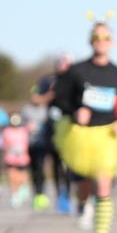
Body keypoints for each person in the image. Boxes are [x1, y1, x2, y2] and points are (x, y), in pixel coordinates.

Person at [52, 19, 117, 233]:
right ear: (90, 41)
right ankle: (83, 206)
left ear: (112, 43)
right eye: (97, 38)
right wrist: (74, 111)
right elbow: (59, 98)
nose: (101, 42)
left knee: (104, 186)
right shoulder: (77, 71)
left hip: (107, 135)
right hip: (80, 135)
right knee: (83, 184)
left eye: (106, 38)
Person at [32, 54, 73, 213]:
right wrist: (51, 96)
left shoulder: (75, 79)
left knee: (68, 164)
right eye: (60, 63)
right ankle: (59, 195)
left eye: (66, 63)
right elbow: (35, 98)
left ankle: (68, 194)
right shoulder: (47, 80)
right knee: (55, 163)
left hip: (70, 126)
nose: (63, 66)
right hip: (51, 127)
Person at [22, 90, 52, 209]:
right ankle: (36, 193)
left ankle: (42, 193)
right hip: (30, 143)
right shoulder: (26, 109)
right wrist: (27, 126)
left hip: (43, 143)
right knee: (33, 169)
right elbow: (20, 124)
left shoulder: (46, 109)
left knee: (41, 168)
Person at [1, 113, 32, 208]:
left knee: (21, 176)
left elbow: (27, 143)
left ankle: (23, 187)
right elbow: (3, 144)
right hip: (11, 157)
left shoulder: (23, 131)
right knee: (12, 176)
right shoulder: (6, 131)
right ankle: (14, 195)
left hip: (22, 157)